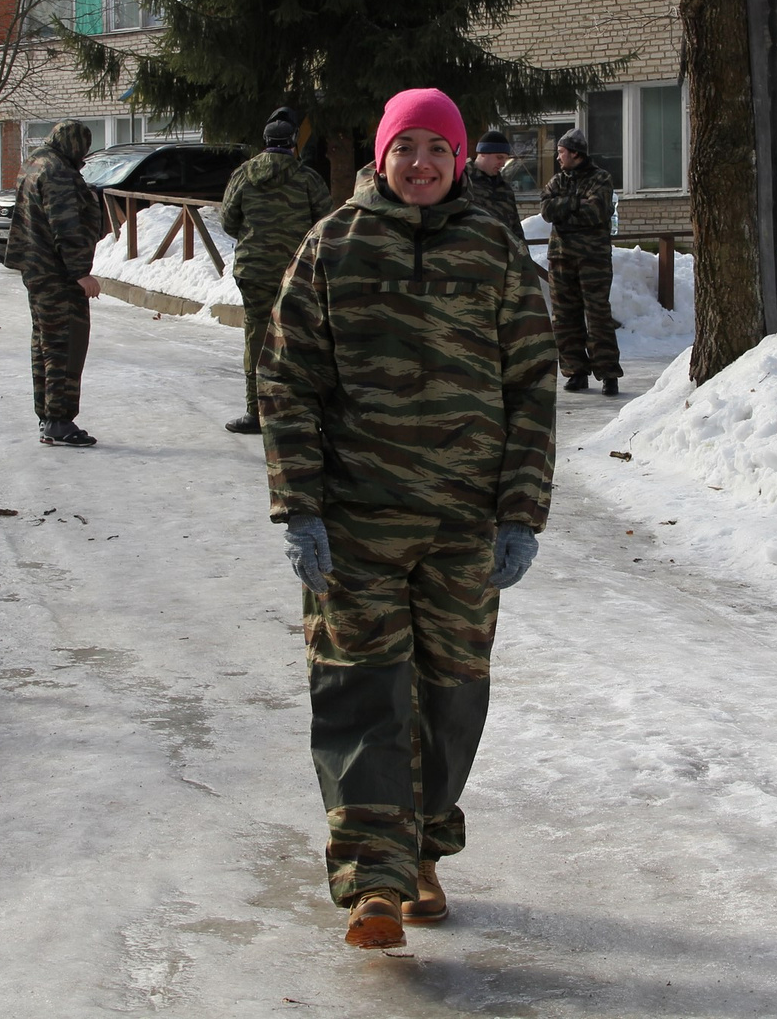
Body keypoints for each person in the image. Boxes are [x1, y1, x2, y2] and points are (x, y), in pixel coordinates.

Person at [258, 88, 556, 950]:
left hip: (465, 529)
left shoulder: (495, 248)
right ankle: (373, 882)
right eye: (405, 147)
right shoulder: (333, 244)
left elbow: (533, 385)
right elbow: (286, 381)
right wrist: (300, 506)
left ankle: (421, 850)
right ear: (381, 155)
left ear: (458, 160)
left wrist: (520, 512)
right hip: (357, 525)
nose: (419, 163)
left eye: (436, 148)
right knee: (360, 694)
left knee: (450, 701)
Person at [219, 108, 334, 435]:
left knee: (256, 336)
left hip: (253, 271)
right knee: (296, 338)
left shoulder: (243, 175)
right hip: (296, 272)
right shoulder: (308, 178)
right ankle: (298, 411)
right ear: (294, 141)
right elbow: (326, 224)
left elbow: (228, 221)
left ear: (265, 140)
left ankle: (256, 412)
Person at [5, 120, 103, 447]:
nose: (84, 156)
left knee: (45, 344)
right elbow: (66, 224)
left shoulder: (35, 163)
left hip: (36, 269)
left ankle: (48, 416)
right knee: (65, 345)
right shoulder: (58, 172)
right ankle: (59, 420)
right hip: (57, 273)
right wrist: (80, 272)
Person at [538, 126, 621, 395]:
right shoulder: (557, 181)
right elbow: (547, 210)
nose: (558, 157)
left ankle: (608, 373)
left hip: (593, 259)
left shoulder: (601, 178)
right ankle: (575, 371)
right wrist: (576, 203)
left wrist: (565, 207)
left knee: (598, 315)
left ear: (575, 153)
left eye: (561, 152)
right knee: (564, 316)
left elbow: (596, 211)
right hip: (561, 257)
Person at [463, 126, 526, 247]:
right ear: (483, 153)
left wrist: (523, 255)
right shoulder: (460, 180)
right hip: (467, 252)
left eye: (505, 159)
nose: (502, 164)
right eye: (499, 157)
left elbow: (516, 229)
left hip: (499, 253)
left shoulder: (505, 189)